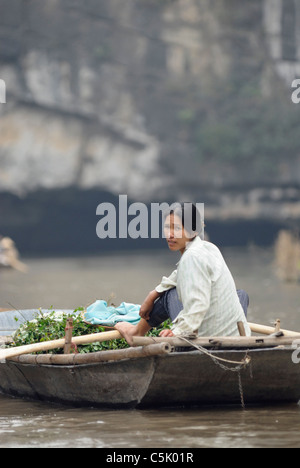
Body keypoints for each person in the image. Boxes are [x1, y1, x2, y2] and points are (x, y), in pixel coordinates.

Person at [115, 202, 251, 345]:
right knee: (241, 294)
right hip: (239, 342)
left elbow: (198, 305)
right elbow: (179, 273)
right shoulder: (209, 248)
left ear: (193, 232)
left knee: (169, 294)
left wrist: (177, 332)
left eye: (177, 228)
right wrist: (154, 293)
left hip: (207, 346)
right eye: (168, 227)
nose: (170, 234)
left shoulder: (191, 257)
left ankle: (136, 333)